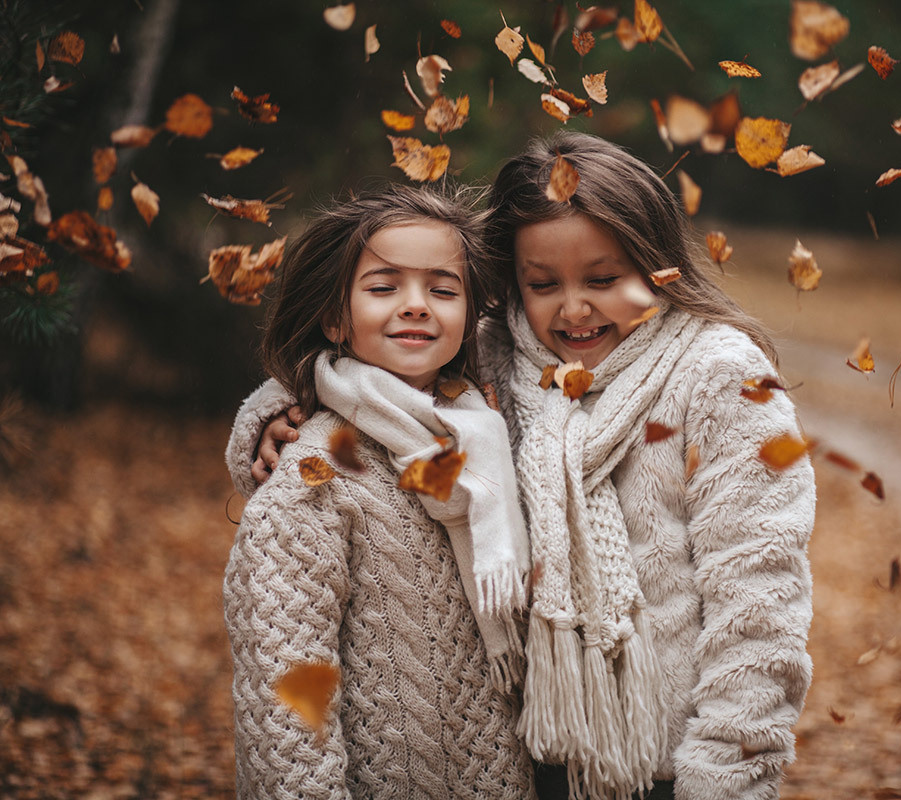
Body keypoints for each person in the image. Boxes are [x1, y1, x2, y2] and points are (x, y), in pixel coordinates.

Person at [237, 132, 815, 800]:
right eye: (543, 284)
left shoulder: (721, 376)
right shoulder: (499, 352)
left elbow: (760, 606)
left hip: (667, 769)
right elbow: (381, 366)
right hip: (520, 762)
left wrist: (725, 781)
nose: (573, 309)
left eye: (603, 280)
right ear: (513, 283)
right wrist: (271, 413)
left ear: (660, 268)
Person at [222, 184, 535, 799]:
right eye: (384, 286)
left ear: (471, 317)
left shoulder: (482, 431)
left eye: (442, 290)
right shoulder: (317, 476)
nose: (417, 305)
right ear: (336, 318)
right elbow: (285, 690)